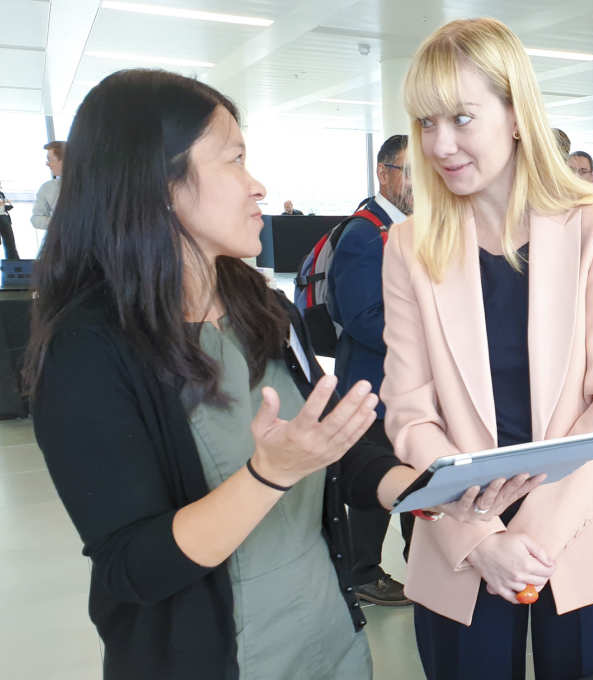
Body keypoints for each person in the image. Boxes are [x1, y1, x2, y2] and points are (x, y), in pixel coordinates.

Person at [23, 68, 539, 680]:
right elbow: (132, 566)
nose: (257, 185)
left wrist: (425, 492)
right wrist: (268, 475)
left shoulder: (259, 307)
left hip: (330, 645)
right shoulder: (88, 349)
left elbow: (334, 455)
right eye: (235, 161)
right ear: (158, 183)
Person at [382, 17, 593, 680]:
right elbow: (410, 415)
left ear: (514, 114)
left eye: (461, 117)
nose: (439, 143)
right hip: (459, 534)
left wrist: (530, 541)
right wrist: (482, 539)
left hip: (585, 525)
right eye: (424, 123)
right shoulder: (411, 245)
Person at [329, 133, 414, 606]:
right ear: (383, 173)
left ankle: (419, 566)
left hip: (408, 384)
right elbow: (362, 319)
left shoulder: (414, 228)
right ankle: (362, 573)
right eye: (409, 171)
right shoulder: (365, 234)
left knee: (414, 472)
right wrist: (426, 338)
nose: (419, 183)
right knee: (372, 479)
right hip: (372, 386)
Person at [31, 140, 64, 231]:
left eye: (50, 159)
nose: (47, 164)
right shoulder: (47, 188)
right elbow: (35, 219)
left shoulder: (92, 186)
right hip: (61, 242)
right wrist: (60, 223)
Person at [0, 181, 19, 260]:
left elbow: (5, 204)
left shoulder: (1, 194)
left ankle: (13, 262)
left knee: (10, 242)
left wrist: (7, 205)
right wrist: (4, 203)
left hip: (4, 218)